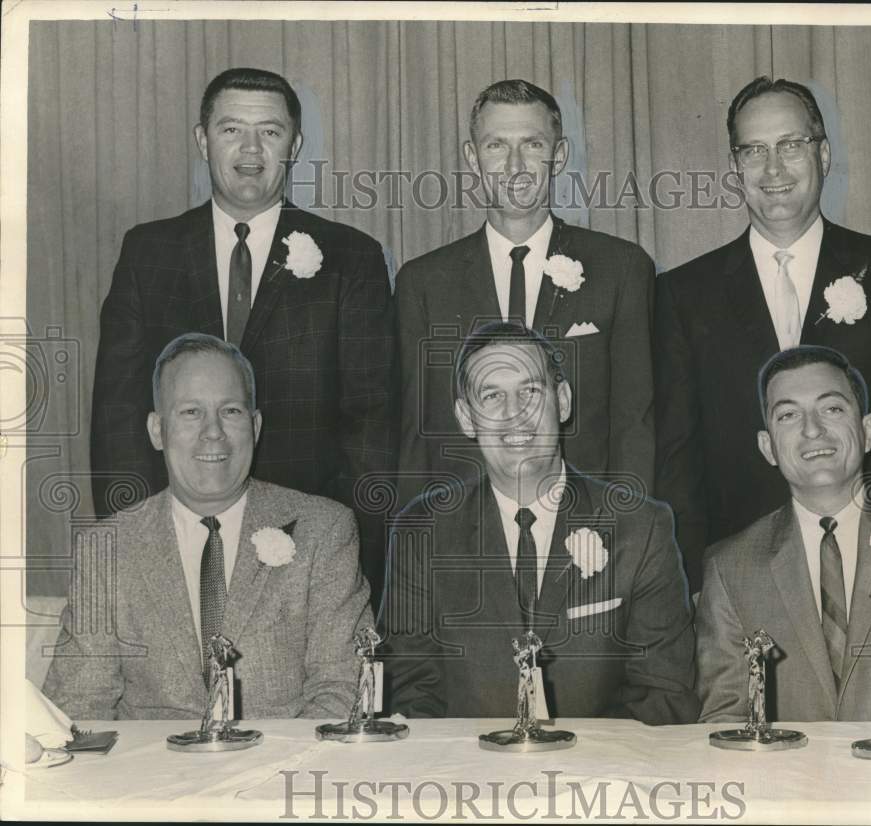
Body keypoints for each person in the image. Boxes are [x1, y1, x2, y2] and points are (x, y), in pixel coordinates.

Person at [654, 76, 871, 592]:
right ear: (736, 167)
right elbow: (677, 462)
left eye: (791, 145)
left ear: (823, 155)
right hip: (746, 581)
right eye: (754, 150)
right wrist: (694, 587)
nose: (774, 168)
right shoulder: (681, 295)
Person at [90, 67, 397, 604]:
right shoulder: (147, 253)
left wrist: (350, 563)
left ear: (294, 144)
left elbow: (370, 429)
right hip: (172, 545)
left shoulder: (353, 258)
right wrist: (132, 546)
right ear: (202, 139)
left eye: (270, 132)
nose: (251, 149)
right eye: (232, 129)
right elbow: (117, 417)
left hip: (305, 554)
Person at [380, 323, 698, 724]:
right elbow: (408, 689)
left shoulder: (642, 527)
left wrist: (576, 777)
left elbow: (663, 694)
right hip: (466, 778)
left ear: (562, 401)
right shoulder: (420, 531)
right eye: (492, 396)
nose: (514, 414)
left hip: (600, 779)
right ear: (466, 417)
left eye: (530, 391)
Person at [45, 333, 372, 720]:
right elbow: (81, 707)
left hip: (283, 770)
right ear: (156, 430)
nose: (213, 431)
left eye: (231, 411)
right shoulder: (106, 549)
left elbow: (342, 691)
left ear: (256, 425)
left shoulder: (324, 531)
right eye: (190, 412)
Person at [395, 79, 655, 510]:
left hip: (585, 527)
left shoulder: (622, 268)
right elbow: (416, 438)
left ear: (559, 156)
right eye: (496, 146)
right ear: (472, 158)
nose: (515, 165)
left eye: (532, 144)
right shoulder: (423, 282)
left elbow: (635, 426)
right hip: (465, 534)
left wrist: (626, 539)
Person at [695, 345, 871, 722]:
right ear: (767, 447)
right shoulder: (729, 569)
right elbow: (724, 719)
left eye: (832, 409)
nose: (812, 429)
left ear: (867, 431)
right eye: (788, 415)